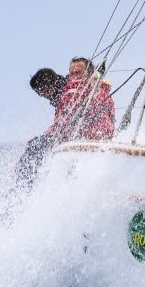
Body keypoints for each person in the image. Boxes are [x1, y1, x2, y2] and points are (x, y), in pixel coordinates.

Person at [14, 57, 115, 189]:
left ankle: (22, 190)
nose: (73, 77)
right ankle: (29, 186)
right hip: (87, 135)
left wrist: (43, 138)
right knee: (41, 146)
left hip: (88, 136)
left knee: (36, 146)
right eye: (71, 73)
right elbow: (65, 120)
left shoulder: (75, 90)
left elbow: (64, 122)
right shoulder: (75, 90)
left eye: (78, 73)